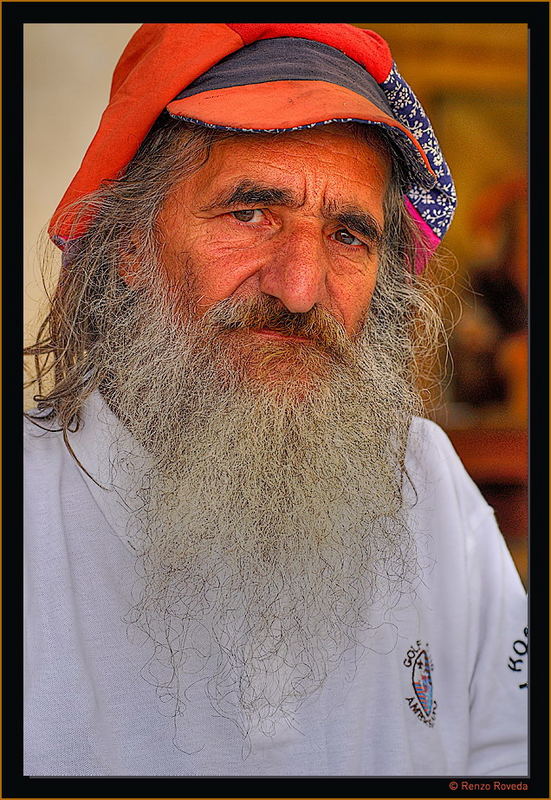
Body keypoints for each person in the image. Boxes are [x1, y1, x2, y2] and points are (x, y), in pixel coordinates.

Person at [24, 23, 527, 776]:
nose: (299, 288)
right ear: (129, 244)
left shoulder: (423, 480)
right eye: (250, 213)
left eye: (348, 235)